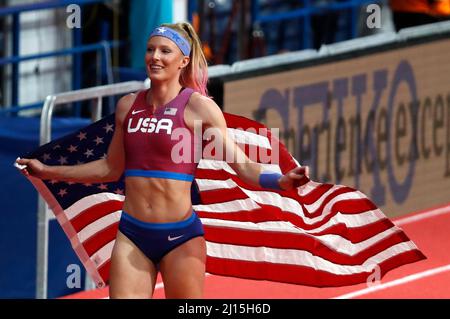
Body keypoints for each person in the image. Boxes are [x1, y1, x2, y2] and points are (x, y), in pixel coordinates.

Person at [16, 22, 309, 299]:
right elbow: (109, 168)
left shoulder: (199, 108)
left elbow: (242, 165)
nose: (154, 57)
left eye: (164, 51)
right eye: (150, 49)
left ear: (183, 61)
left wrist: (280, 181)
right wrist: (48, 170)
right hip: (132, 233)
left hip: (180, 237)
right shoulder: (127, 106)